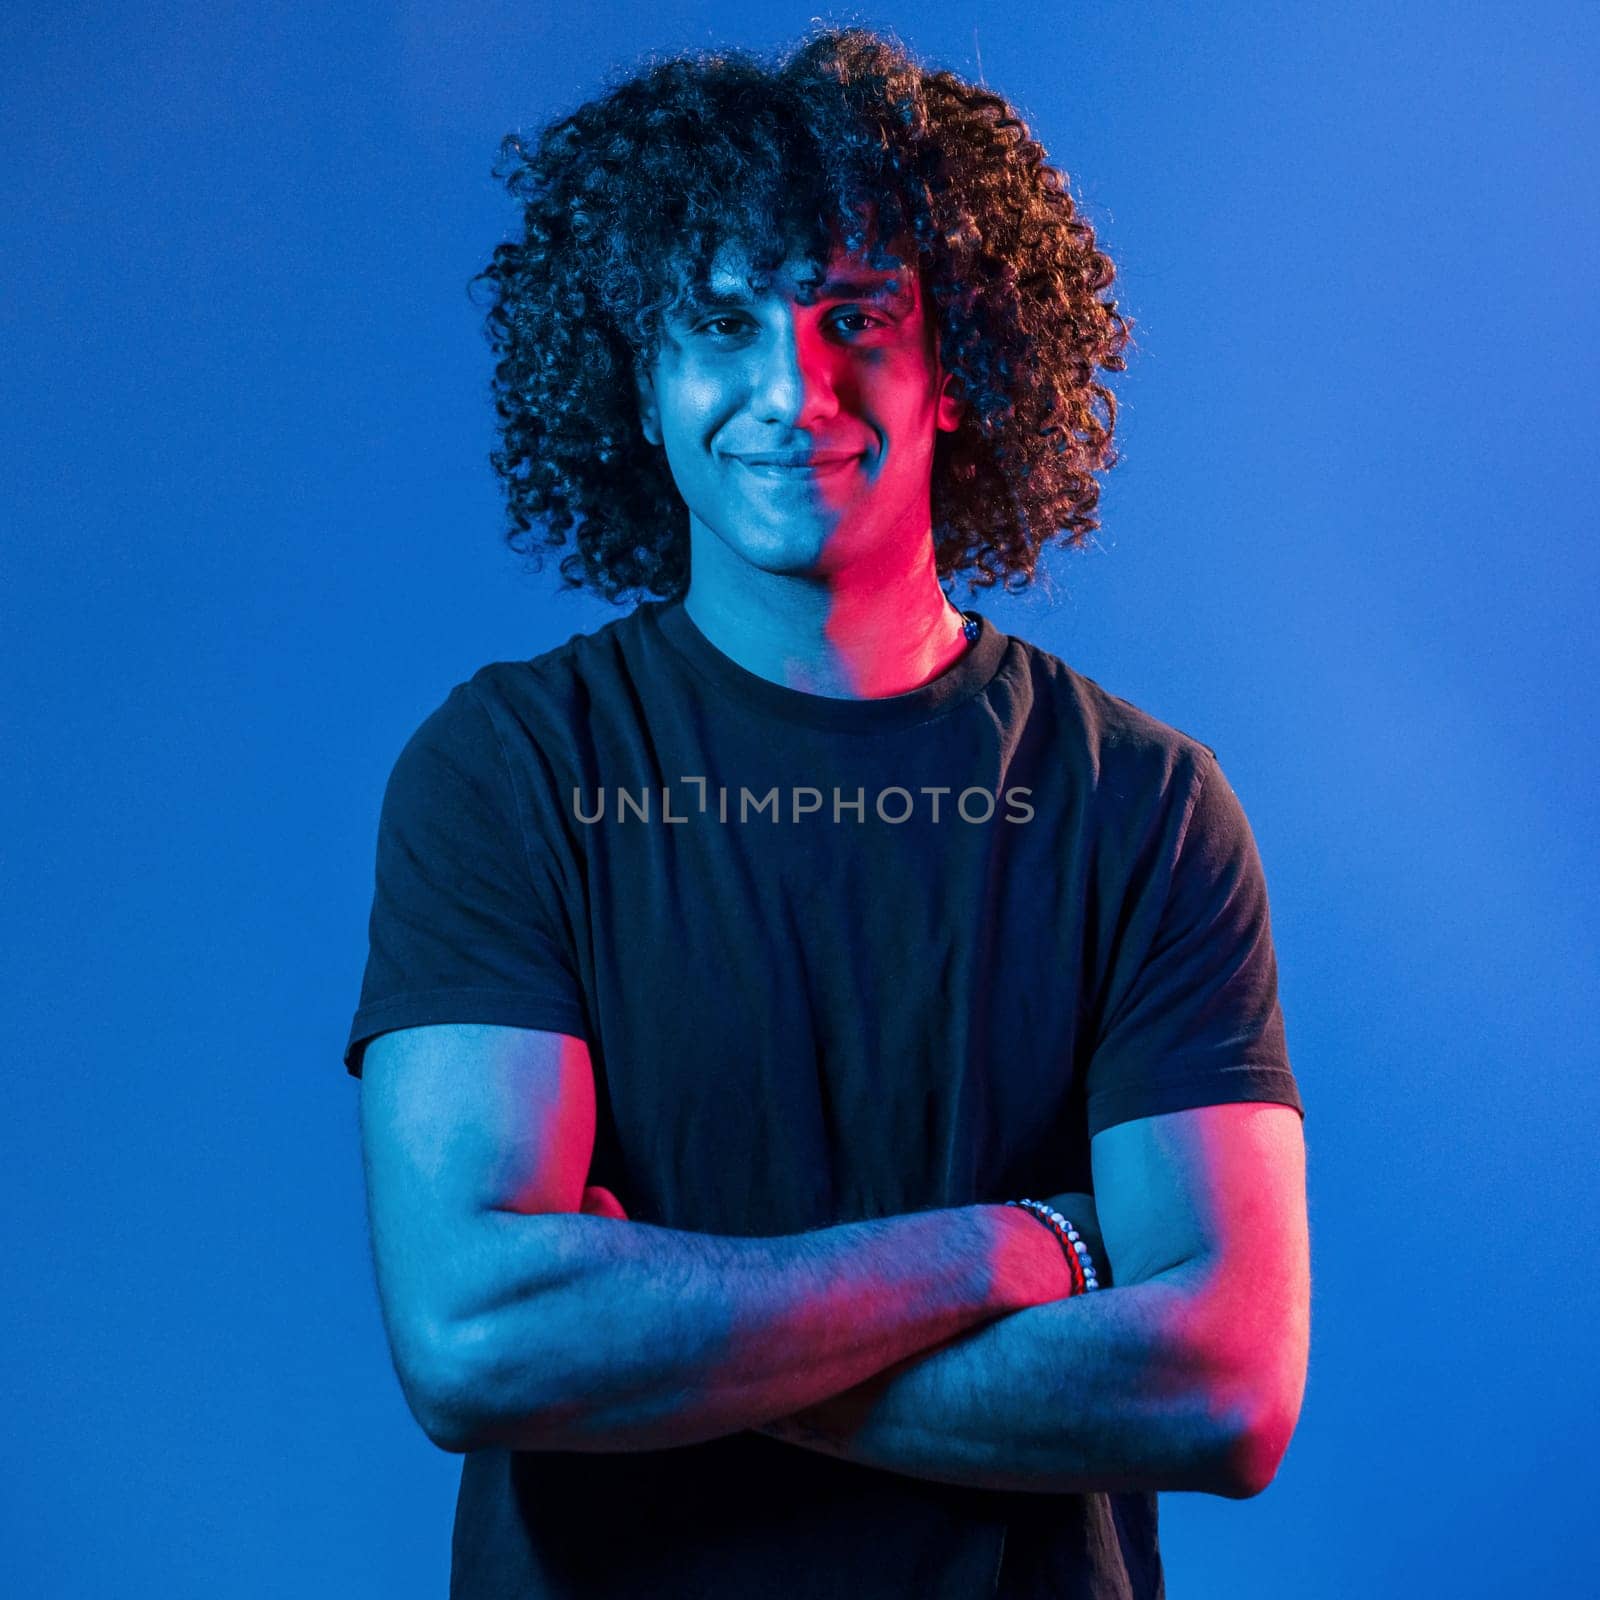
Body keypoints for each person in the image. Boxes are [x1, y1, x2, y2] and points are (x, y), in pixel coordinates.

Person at [343, 25, 1309, 1599]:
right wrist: (1015, 1253)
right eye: (718, 321)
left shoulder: (1144, 807)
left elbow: (1225, 1384)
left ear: (961, 367)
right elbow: (474, 1341)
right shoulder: (506, 767)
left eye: (856, 313)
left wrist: (656, 1347)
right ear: (637, 380)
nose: (793, 384)